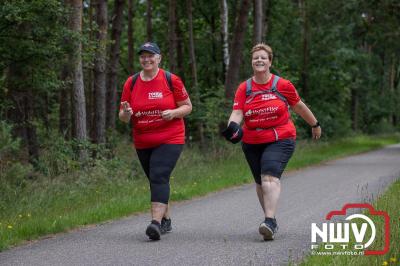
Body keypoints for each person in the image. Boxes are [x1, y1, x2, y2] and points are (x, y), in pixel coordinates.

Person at [223, 43, 321, 241]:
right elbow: (237, 111)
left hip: (280, 138)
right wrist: (233, 126)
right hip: (251, 140)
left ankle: (268, 220)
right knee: (260, 182)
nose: (259, 60)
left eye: (263, 58)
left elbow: (299, 106)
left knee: (269, 177)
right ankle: (271, 221)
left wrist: (315, 124)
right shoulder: (245, 88)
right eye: (255, 58)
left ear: (270, 62)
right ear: (252, 62)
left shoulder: (282, 85)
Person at [119, 42, 192, 241]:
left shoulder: (171, 80)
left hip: (170, 137)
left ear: (159, 58)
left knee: (159, 175)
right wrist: (126, 113)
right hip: (143, 140)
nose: (146, 59)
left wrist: (174, 112)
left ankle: (155, 224)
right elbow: (123, 118)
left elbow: (188, 107)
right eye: (143, 56)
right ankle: (166, 219)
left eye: (151, 55)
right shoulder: (131, 83)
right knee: (155, 179)